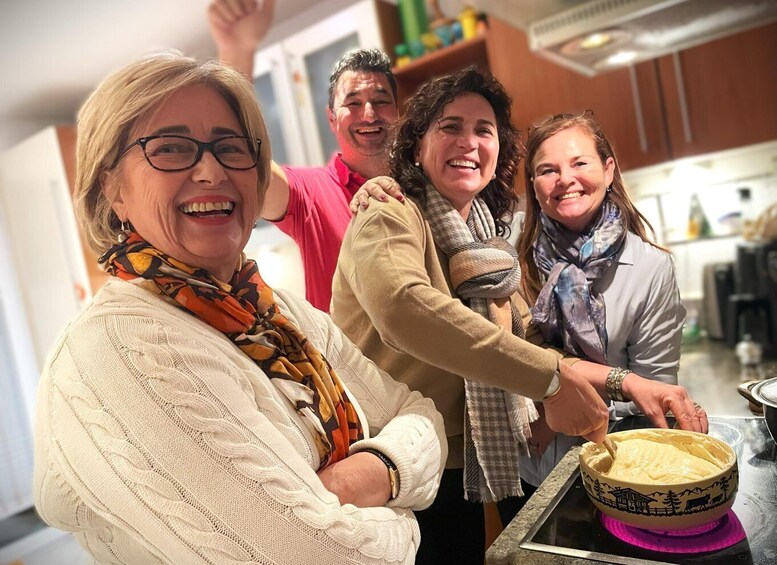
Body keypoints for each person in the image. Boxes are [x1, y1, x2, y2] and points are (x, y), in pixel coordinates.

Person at [33, 52, 447, 565]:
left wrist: (367, 476)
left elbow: (420, 414)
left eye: (231, 147)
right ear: (111, 188)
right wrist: (403, 508)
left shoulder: (282, 314)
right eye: (171, 148)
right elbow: (331, 557)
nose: (212, 171)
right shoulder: (115, 351)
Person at [331, 68, 613, 564]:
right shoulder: (389, 212)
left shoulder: (487, 239)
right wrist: (550, 381)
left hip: (474, 451)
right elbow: (403, 305)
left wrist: (627, 383)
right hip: (403, 460)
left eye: (484, 130)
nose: (469, 142)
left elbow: (527, 339)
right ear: (416, 144)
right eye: (450, 127)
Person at [515, 111, 708, 485]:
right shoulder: (513, 263)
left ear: (608, 171)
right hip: (526, 463)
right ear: (534, 186)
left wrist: (562, 408)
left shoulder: (650, 267)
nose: (565, 179)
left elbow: (652, 392)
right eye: (548, 170)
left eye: (579, 163)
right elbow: (510, 360)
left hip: (616, 463)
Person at [208, 0, 403, 311]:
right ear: (331, 119)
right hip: (343, 346)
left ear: (397, 112)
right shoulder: (310, 193)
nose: (369, 114)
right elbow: (242, 159)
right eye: (352, 103)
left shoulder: (422, 185)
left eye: (381, 101)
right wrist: (238, 51)